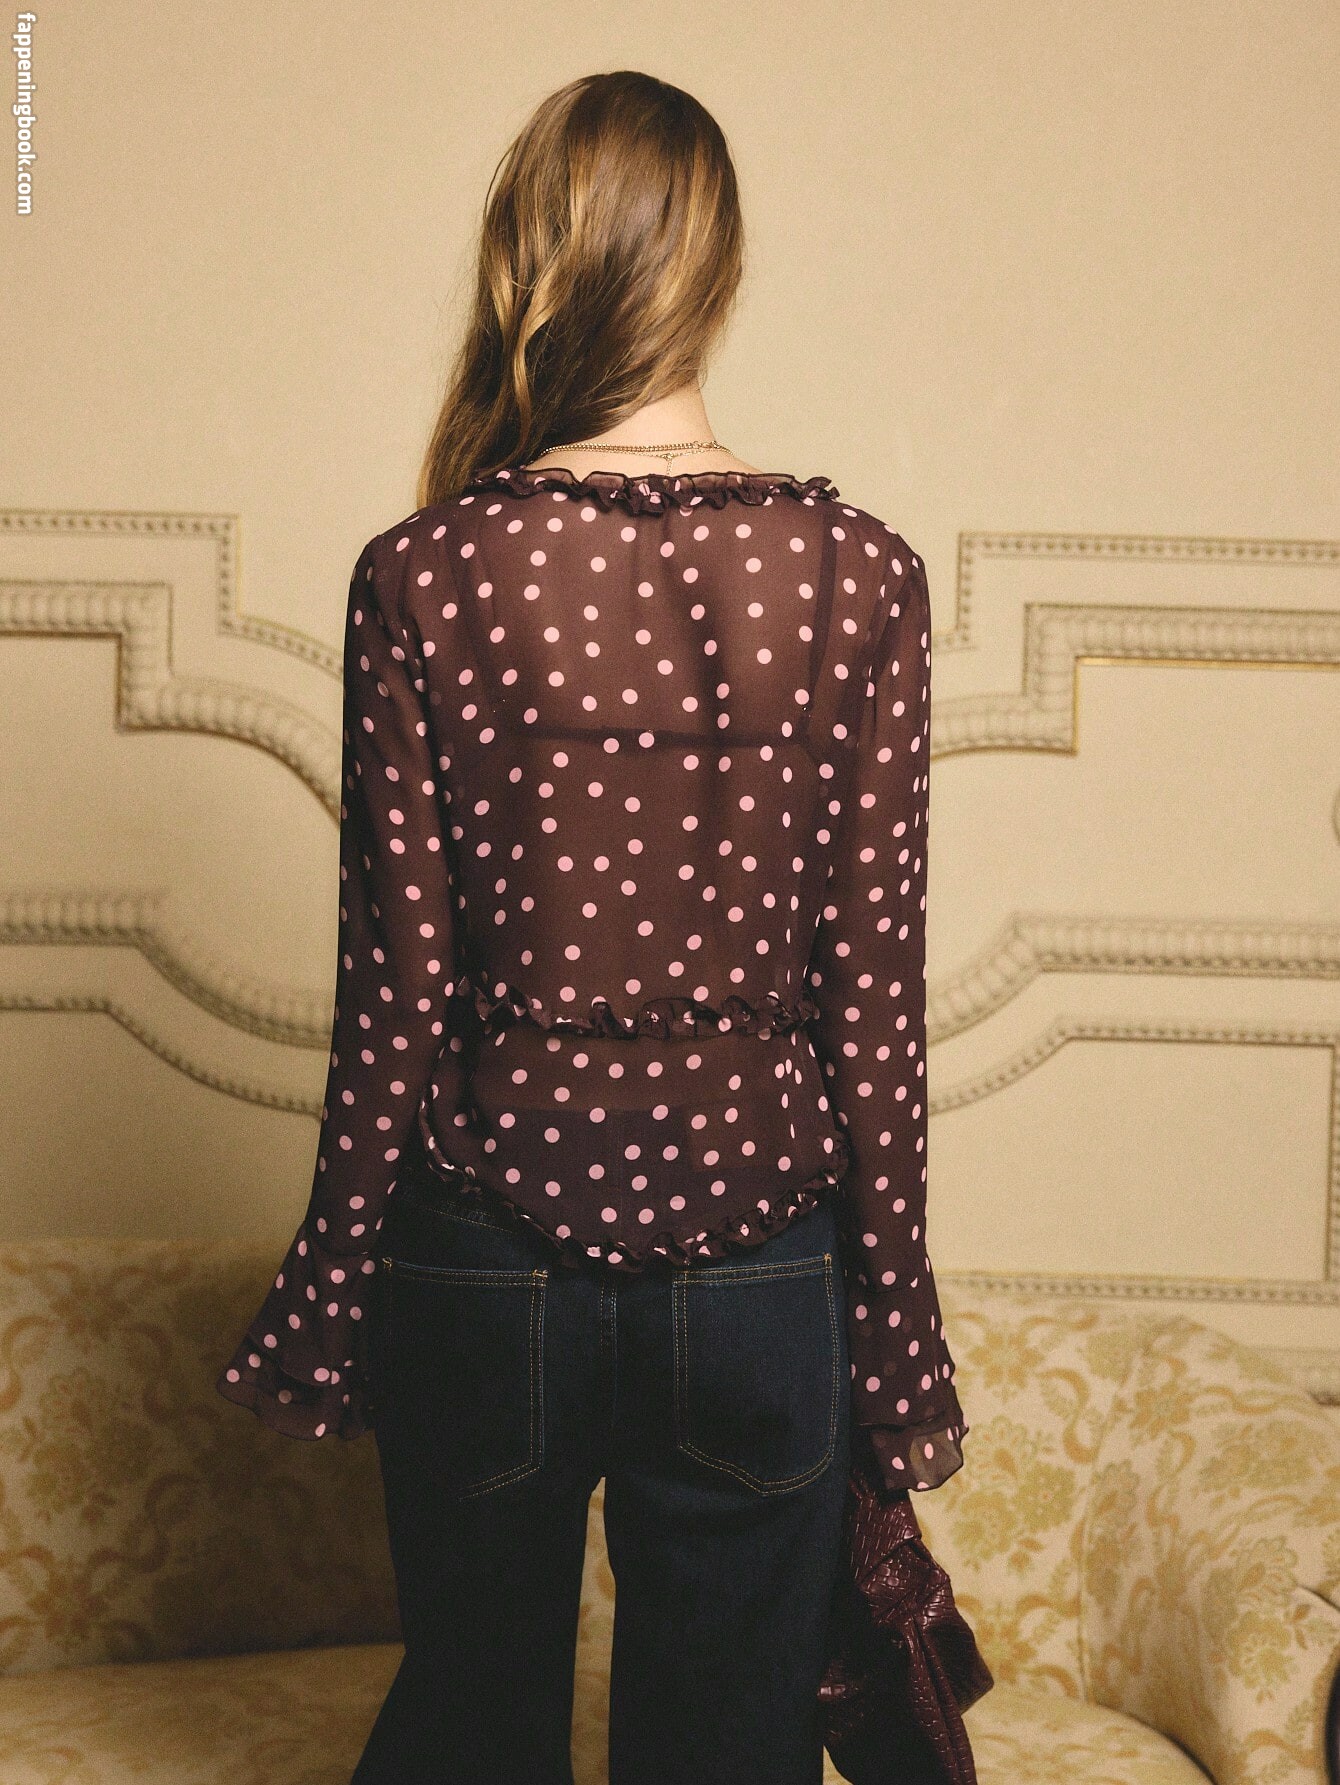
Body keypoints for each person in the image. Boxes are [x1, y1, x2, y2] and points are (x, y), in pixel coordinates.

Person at [216, 67, 969, 1785]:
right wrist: (896, 1339)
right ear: (719, 270)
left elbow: (394, 997)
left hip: (482, 1255)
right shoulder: (860, 575)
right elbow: (873, 1010)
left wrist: (334, 1289)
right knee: (731, 1756)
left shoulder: (424, 572)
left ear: (529, 259)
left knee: (472, 1737)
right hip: (763, 1260)